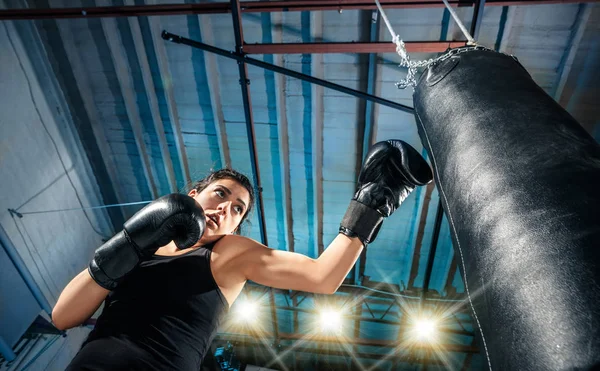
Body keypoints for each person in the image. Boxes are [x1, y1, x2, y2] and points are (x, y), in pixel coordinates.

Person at [52, 140, 433, 370]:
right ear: (196, 193)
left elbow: (323, 276)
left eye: (238, 209)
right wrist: (131, 242)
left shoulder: (227, 255)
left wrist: (372, 201)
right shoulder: (141, 249)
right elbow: (64, 316)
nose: (227, 208)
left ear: (236, 227)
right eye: (221, 194)